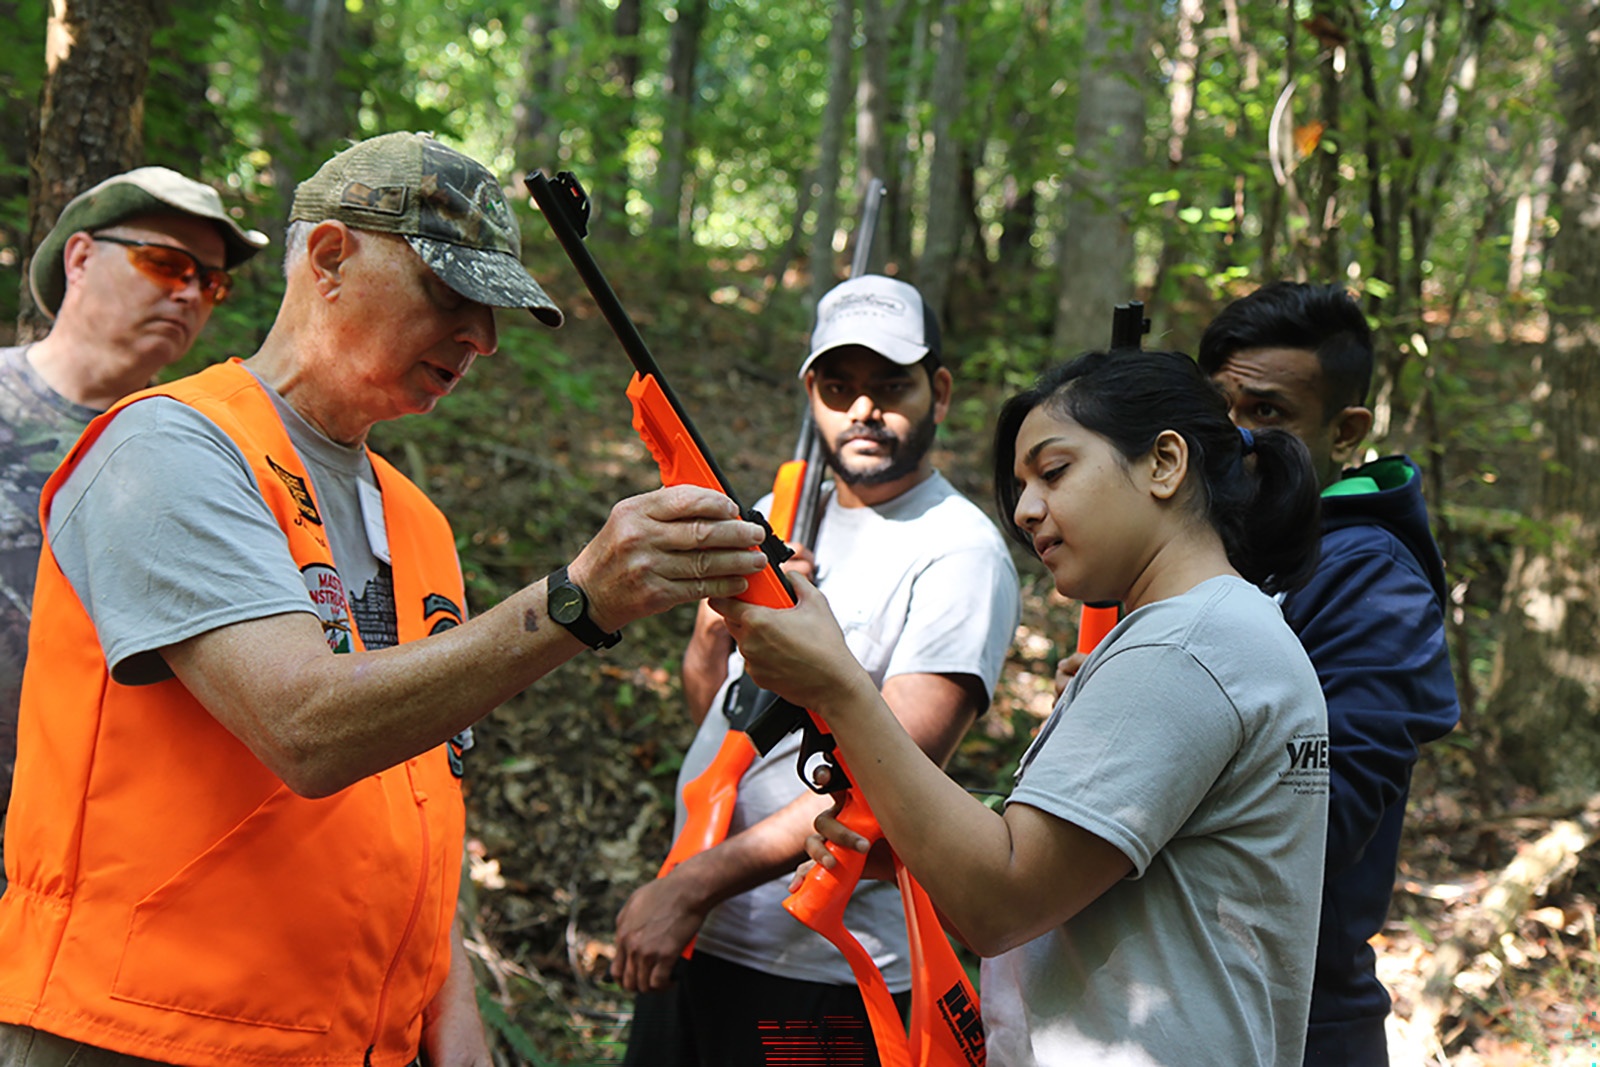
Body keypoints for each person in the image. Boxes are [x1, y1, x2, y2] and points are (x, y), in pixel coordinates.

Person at [0, 131, 772, 1067]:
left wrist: (451, 1018)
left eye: (495, 312)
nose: (482, 338)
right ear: (329, 258)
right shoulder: (165, 450)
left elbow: (413, 805)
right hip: (141, 1031)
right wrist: (578, 602)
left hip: (346, 1040)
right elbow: (307, 729)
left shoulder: (416, 523)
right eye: (453, 294)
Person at [721, 348, 1332, 1065]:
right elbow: (1053, 881)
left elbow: (1001, 904)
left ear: (1165, 463)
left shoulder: (1183, 648)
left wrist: (838, 685)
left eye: (1055, 470)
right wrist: (920, 850)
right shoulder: (1222, 631)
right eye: (1019, 484)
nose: (1025, 508)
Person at [612, 275, 1020, 1066]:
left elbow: (895, 768)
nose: (862, 408)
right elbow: (723, 718)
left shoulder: (958, 550)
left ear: (938, 390)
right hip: (702, 941)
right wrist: (707, 640)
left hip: (826, 965)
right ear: (812, 393)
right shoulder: (783, 510)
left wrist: (691, 885)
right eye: (840, 387)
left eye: (889, 385)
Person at [1197, 281, 1460, 1066]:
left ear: (1346, 431)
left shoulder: (1374, 580)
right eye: (1222, 409)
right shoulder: (1230, 549)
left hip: (1298, 1020)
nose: (1235, 436)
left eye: (1270, 413)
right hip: (1177, 992)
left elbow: (1323, 818)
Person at [0, 167, 267, 884]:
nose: (188, 293)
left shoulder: (200, 453)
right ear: (81, 258)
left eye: (211, 283)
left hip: (90, 866)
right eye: (165, 263)